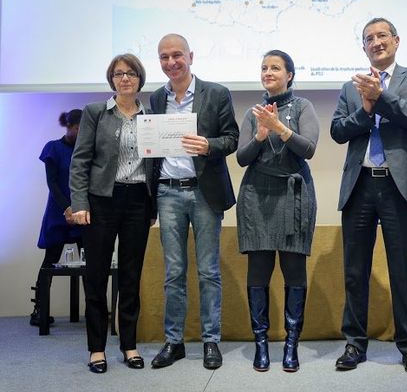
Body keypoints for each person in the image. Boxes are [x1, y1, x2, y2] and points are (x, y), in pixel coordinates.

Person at [330, 18, 407, 376]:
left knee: (403, 269)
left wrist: (382, 97)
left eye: (381, 36)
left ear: (396, 41)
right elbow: (338, 131)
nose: (376, 42)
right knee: (354, 271)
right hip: (359, 184)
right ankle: (354, 344)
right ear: (363, 48)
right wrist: (366, 108)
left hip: (398, 185)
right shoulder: (350, 87)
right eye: (369, 39)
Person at [149, 34, 239, 370]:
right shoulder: (157, 98)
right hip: (167, 192)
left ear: (191, 56)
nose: (171, 63)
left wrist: (208, 145)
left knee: (208, 271)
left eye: (177, 56)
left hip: (204, 192)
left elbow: (231, 138)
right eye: (163, 57)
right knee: (173, 272)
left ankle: (210, 341)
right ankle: (174, 342)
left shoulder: (216, 93)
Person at [70, 53, 155, 373]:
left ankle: (129, 345)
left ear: (139, 78)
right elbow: (79, 162)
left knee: (131, 278)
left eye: (131, 73)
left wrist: (153, 206)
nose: (125, 79)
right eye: (119, 74)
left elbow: (157, 165)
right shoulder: (95, 112)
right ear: (112, 79)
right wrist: (79, 204)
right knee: (96, 277)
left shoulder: (150, 115)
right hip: (101, 201)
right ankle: (96, 349)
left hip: (138, 201)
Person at [236, 50, 319, 372]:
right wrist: (259, 135)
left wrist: (279, 128)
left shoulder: (303, 107)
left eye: (275, 68)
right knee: (258, 272)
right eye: (264, 68)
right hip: (256, 194)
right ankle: (261, 345)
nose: (268, 72)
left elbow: (309, 149)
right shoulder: (252, 112)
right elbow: (243, 158)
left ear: (290, 75)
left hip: (294, 196)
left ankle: (290, 346)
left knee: (294, 271)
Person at [31, 109, 83, 327]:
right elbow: (52, 183)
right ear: (68, 126)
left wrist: (78, 208)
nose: (80, 133)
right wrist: (66, 207)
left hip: (83, 212)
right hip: (58, 212)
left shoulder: (87, 150)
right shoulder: (53, 148)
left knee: (91, 263)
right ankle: (39, 309)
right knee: (50, 261)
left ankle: (96, 309)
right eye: (77, 128)